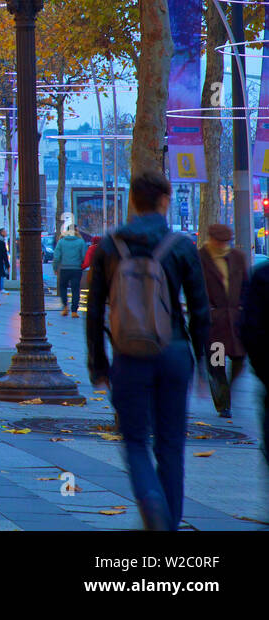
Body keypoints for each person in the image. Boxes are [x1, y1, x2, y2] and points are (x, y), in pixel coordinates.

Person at [86, 170, 210, 531]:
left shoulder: (110, 245)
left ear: (133, 202)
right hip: (173, 351)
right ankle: (167, 522)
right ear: (164, 200)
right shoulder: (181, 245)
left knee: (135, 441)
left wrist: (98, 365)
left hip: (128, 356)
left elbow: (95, 311)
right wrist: (202, 363)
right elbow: (200, 310)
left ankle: (150, 501)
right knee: (171, 444)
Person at [197, 223, 248, 418]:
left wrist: (243, 308)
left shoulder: (237, 257)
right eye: (218, 241)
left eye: (225, 242)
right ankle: (223, 404)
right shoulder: (201, 258)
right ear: (211, 239)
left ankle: (227, 390)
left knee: (239, 360)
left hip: (235, 322)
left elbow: (245, 285)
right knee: (216, 365)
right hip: (215, 325)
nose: (221, 245)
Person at [240, 259, 269, 466]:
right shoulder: (260, 275)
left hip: (230, 318)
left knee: (229, 360)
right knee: (217, 362)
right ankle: (221, 400)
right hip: (218, 324)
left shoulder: (239, 262)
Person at [52, 223, 88, 317]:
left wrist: (55, 268)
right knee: (75, 289)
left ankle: (65, 307)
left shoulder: (61, 242)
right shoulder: (81, 242)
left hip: (64, 269)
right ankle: (74, 311)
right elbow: (84, 256)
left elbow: (56, 257)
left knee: (63, 287)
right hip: (76, 269)